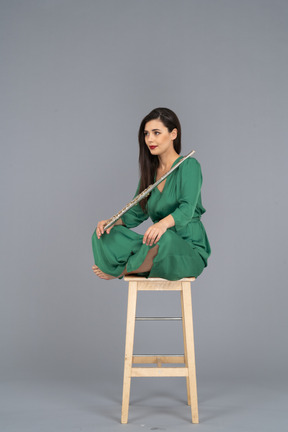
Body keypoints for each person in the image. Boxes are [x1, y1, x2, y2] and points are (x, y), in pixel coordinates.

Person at [91, 107, 211, 281]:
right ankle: (143, 264)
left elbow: (186, 210)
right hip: (157, 242)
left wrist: (162, 225)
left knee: (166, 239)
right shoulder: (151, 173)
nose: (150, 139)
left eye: (156, 132)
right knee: (103, 234)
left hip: (187, 249)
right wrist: (112, 221)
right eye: (146, 134)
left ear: (173, 134)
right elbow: (136, 213)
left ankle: (123, 270)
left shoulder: (189, 165)